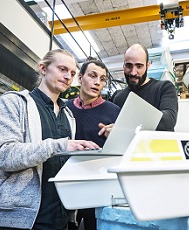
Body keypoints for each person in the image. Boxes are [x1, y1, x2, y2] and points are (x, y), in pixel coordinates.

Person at [0, 49, 100, 230]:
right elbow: (5, 155)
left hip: (59, 219)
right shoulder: (13, 103)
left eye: (72, 73)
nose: (68, 77)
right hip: (18, 220)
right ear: (43, 68)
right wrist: (60, 145)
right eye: (62, 69)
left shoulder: (68, 116)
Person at [65, 59, 121, 229]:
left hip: (100, 188)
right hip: (69, 184)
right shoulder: (64, 109)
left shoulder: (114, 111)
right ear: (80, 78)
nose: (98, 82)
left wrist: (117, 136)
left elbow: (124, 151)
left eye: (102, 79)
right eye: (93, 76)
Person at [112, 43, 178, 131]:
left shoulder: (164, 88)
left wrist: (127, 121)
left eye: (139, 66)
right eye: (129, 66)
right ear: (123, 66)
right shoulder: (119, 98)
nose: (133, 72)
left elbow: (168, 120)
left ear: (148, 65)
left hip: (161, 144)